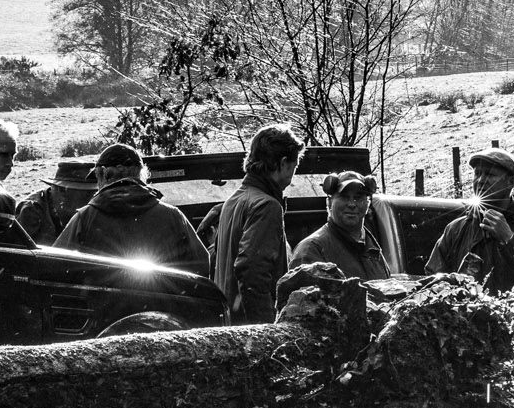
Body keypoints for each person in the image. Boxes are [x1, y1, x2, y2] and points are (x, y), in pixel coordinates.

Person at [52, 142, 209, 273]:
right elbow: (202, 266)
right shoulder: (173, 216)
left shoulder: (84, 219)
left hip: (101, 308)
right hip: (162, 308)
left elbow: (54, 267)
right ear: (141, 175)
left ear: (104, 174)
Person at [425, 148, 514, 294]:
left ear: (511, 181)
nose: (481, 180)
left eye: (490, 174)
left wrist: (510, 240)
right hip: (465, 316)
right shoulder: (456, 229)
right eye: (477, 173)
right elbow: (433, 281)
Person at [213, 124, 303, 322]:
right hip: (249, 330)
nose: (293, 175)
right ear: (283, 163)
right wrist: (266, 330)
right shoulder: (267, 206)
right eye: (294, 167)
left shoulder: (232, 200)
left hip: (229, 324)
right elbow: (252, 273)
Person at [290, 171, 388, 281]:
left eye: (358, 197)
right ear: (329, 203)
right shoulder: (311, 250)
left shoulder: (372, 249)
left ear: (368, 203)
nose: (352, 204)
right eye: (344, 197)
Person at [16, 160, 96, 246]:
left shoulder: (89, 213)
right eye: (87, 194)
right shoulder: (31, 211)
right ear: (62, 191)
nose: (92, 199)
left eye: (94, 193)